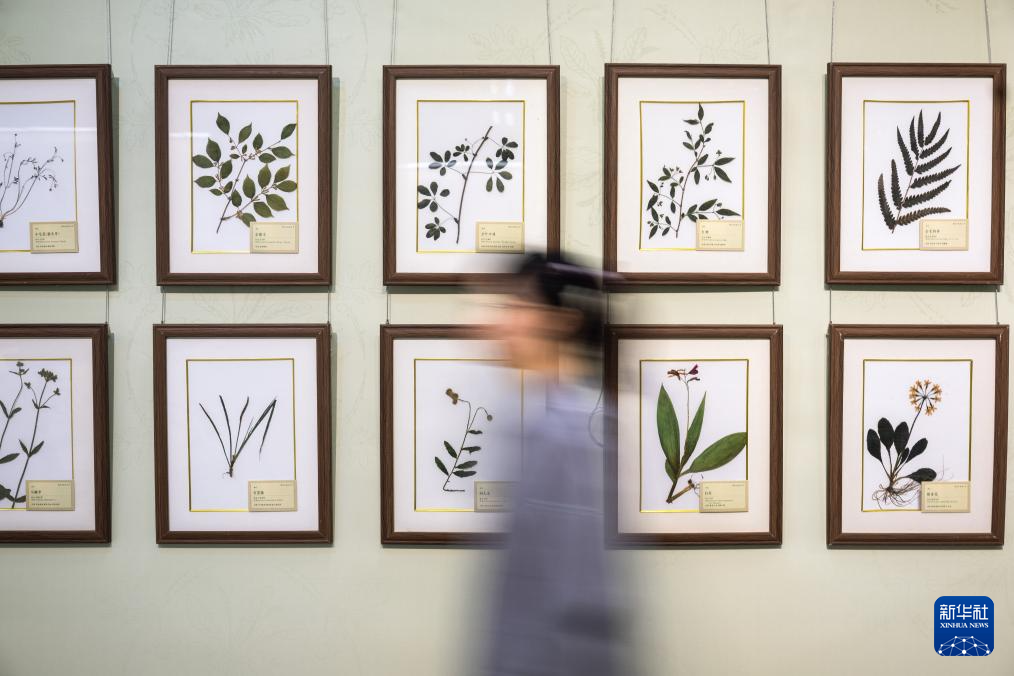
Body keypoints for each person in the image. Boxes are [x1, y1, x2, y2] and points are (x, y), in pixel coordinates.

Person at [482, 253, 625, 676]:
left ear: (563, 321)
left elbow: (584, 596)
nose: (502, 324)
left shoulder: (571, 432)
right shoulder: (544, 421)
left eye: (518, 306)